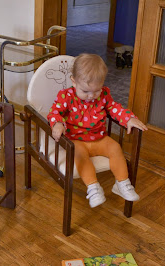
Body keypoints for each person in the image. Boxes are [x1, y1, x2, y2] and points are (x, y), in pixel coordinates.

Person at [47, 53, 148, 208]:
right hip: (76, 139)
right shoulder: (66, 96)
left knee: (115, 148)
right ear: (74, 82)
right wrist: (57, 124)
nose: (91, 96)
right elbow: (55, 112)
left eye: (96, 90)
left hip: (99, 138)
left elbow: (114, 108)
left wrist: (128, 118)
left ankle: (121, 183)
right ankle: (93, 188)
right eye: (86, 91)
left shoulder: (104, 94)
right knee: (79, 155)